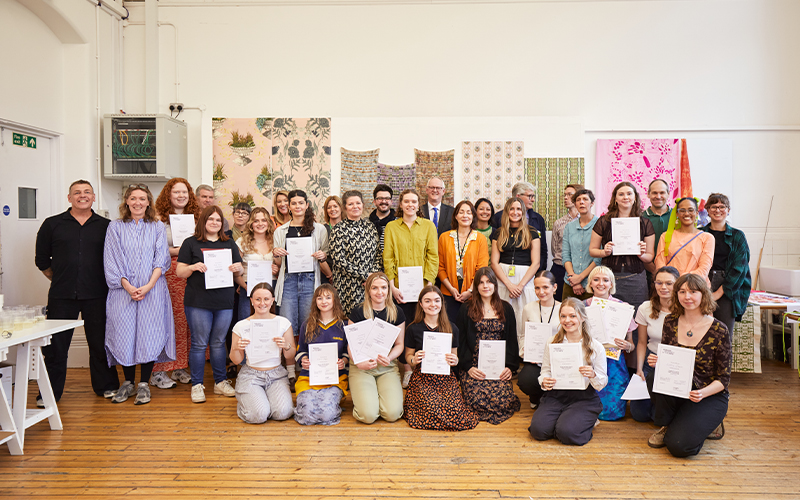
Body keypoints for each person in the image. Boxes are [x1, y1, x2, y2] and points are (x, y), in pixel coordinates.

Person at [34, 180, 119, 404]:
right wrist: (61, 278)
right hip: (62, 295)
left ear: (94, 197)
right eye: (77, 192)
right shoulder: (52, 224)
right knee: (56, 347)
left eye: (87, 192)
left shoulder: (107, 226)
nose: (83, 196)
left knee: (100, 343)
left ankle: (106, 386)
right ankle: (49, 394)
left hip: (98, 294)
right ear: (69, 198)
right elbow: (42, 260)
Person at [103, 185, 175, 404]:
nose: (137, 202)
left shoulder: (157, 227)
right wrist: (127, 286)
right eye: (133, 198)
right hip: (122, 291)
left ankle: (144, 383)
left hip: (153, 290)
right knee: (124, 334)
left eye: (142, 198)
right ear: (126, 201)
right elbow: (111, 258)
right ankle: (128, 382)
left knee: (149, 333)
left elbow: (161, 259)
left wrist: (148, 285)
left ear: (148, 202)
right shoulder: (115, 227)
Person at [646, 274, 730, 457]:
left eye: (693, 292)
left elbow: (724, 379)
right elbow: (669, 360)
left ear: (703, 294)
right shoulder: (670, 322)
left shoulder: (719, 330)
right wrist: (659, 361)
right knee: (653, 376)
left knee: (679, 447)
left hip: (708, 394)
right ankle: (668, 424)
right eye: (682, 292)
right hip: (679, 390)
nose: (687, 297)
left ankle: (709, 422)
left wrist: (702, 393)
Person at [176, 206, 244, 403]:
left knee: (218, 342)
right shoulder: (190, 243)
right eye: (210, 219)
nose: (214, 223)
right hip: (198, 301)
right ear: (203, 221)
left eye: (218, 220)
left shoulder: (229, 243)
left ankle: (220, 382)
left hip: (224, 301)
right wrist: (192, 267)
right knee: (199, 343)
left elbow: (239, 272)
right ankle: (197, 385)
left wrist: (238, 268)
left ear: (222, 223)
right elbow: (180, 272)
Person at [529, 298, 607, 446]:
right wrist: (545, 380)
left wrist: (593, 374)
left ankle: (580, 420)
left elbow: (601, 383)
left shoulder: (596, 346)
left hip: (583, 397)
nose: (567, 320)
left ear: (582, 317)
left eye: (572, 316)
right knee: (538, 431)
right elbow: (545, 370)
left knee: (567, 433)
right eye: (563, 316)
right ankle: (565, 419)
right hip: (556, 395)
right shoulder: (552, 342)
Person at [272, 190, 331, 385]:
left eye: (301, 203)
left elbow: (325, 256)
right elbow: (278, 263)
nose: (297, 206)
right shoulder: (280, 231)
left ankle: (309, 369)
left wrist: (322, 256)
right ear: (288, 206)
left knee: (310, 326)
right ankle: (290, 372)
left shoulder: (319, 229)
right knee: (287, 326)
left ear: (307, 205)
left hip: (310, 281)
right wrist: (276, 254)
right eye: (294, 203)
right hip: (288, 281)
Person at [383, 189, 439, 388]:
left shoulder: (428, 226)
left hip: (423, 288)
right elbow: (388, 257)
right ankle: (407, 370)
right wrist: (392, 287)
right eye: (406, 201)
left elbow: (433, 256)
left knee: (422, 326)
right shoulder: (391, 227)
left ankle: (423, 368)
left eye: (414, 201)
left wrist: (428, 286)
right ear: (400, 204)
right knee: (403, 328)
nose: (410, 205)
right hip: (399, 289)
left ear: (418, 204)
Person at [403, 286, 478, 431]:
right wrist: (413, 359)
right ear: (421, 304)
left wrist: (454, 361)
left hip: (445, 378)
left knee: (455, 412)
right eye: (427, 301)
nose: (433, 304)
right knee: (430, 407)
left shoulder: (452, 328)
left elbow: (455, 357)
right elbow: (408, 356)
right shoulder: (413, 328)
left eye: (437, 300)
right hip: (422, 378)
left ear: (442, 303)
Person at [150, 178, 200, 389]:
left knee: (187, 321)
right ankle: (159, 371)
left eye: (184, 192)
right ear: (168, 195)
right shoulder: (157, 220)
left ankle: (180, 366)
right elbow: (152, 248)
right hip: (168, 273)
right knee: (168, 320)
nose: (181, 196)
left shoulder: (196, 218)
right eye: (176, 192)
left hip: (191, 273)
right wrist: (179, 251)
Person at [456, 267, 521, 425]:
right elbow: (460, 342)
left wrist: (509, 367)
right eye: (481, 282)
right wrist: (468, 367)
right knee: (475, 399)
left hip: (498, 366)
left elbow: (512, 341)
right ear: (476, 286)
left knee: (503, 400)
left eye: (489, 282)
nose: (485, 286)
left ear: (495, 285)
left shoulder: (506, 308)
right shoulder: (466, 309)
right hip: (473, 365)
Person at [230, 283, 295, 424]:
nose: (262, 303)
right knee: (258, 416)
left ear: (272, 300)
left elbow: (290, 355)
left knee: (283, 413)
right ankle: (250, 402)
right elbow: (236, 360)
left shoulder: (283, 322)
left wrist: (286, 346)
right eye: (258, 299)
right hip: (251, 375)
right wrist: (235, 348)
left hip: (276, 375)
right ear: (252, 301)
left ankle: (263, 400)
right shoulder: (241, 326)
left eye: (266, 299)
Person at [348, 272, 406, 424]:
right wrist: (359, 363)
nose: (379, 292)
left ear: (389, 290)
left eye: (384, 287)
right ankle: (370, 402)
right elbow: (351, 345)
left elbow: (399, 344)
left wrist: (389, 358)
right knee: (368, 416)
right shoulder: (358, 311)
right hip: (362, 367)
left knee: (392, 414)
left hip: (386, 366)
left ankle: (378, 399)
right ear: (368, 290)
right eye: (374, 288)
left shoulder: (397, 312)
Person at [589, 181, 655, 309]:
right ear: (615, 199)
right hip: (609, 279)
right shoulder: (603, 221)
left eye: (629, 194)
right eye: (621, 194)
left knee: (636, 314)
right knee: (610, 314)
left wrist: (641, 254)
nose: (625, 197)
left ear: (635, 198)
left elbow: (649, 257)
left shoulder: (645, 223)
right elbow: (592, 250)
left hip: (636, 279)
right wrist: (604, 252)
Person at [584, 266, 637, 421]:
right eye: (596, 279)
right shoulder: (582, 306)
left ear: (611, 284)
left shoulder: (623, 308)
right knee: (586, 409)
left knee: (613, 413)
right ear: (590, 283)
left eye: (605, 280)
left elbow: (632, 344)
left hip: (614, 362)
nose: (601, 283)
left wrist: (627, 346)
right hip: (589, 360)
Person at [294, 284, 350, 425]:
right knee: (306, 415)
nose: (324, 301)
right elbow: (300, 351)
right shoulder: (307, 325)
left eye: (328, 297)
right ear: (315, 301)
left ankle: (330, 407)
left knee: (326, 415)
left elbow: (347, 352)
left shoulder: (344, 325)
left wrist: (343, 361)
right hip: (308, 379)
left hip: (335, 379)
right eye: (319, 298)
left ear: (335, 300)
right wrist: (304, 360)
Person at [631, 266, 679, 422]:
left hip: (674, 363)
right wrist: (639, 369)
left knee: (659, 417)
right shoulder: (645, 307)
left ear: (677, 285)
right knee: (639, 414)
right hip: (650, 360)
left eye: (669, 283)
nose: (663, 287)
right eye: (659, 283)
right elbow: (642, 342)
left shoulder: (685, 308)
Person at [701, 193, 752, 335]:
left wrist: (717, 294)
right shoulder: (700, 233)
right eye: (713, 207)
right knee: (701, 334)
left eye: (722, 207)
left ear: (728, 210)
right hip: (702, 284)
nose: (718, 210)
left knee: (723, 334)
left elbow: (739, 269)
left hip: (728, 287)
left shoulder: (737, 236)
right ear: (707, 210)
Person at [490, 197, 540, 335]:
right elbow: (494, 262)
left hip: (525, 279)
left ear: (523, 212)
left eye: (518, 209)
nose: (515, 212)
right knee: (503, 314)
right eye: (511, 209)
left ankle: (523, 346)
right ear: (506, 211)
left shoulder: (532, 232)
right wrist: (509, 285)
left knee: (525, 315)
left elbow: (536, 262)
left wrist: (520, 286)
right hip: (503, 278)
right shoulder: (498, 232)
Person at [330, 191, 381, 316]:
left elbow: (378, 255)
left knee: (372, 317)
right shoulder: (338, 229)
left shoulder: (370, 227)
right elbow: (339, 260)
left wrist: (372, 277)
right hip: (348, 285)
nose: (355, 206)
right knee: (353, 319)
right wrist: (365, 275)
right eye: (350, 204)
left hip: (371, 284)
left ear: (363, 205)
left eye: (358, 203)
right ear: (345, 207)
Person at [437, 200, 489, 323]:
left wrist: (470, 291)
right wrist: (451, 289)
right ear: (456, 216)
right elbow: (440, 267)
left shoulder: (480, 238)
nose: (465, 215)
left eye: (469, 213)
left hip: (473, 292)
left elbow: (481, 268)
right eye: (461, 212)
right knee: (449, 326)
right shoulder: (444, 237)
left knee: (469, 327)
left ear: (473, 216)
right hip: (448, 291)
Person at [518, 271, 562, 410]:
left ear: (554, 287)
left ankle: (549, 399)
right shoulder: (528, 308)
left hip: (557, 360)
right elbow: (522, 335)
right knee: (525, 381)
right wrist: (524, 351)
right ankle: (536, 397)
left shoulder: (563, 309)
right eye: (537, 288)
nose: (541, 292)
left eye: (545, 287)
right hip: (535, 360)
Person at [490, 182, 548, 270]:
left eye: (533, 196)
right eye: (530, 196)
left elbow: (543, 249)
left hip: (531, 271)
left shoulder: (538, 219)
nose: (533, 200)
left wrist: (540, 271)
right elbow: (494, 248)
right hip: (503, 270)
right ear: (518, 196)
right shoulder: (498, 218)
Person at [654, 197, 715, 280]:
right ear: (677, 214)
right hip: (670, 285)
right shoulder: (665, 236)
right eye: (682, 210)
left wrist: (683, 282)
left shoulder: (707, 238)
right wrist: (671, 282)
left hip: (696, 285)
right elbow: (660, 265)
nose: (686, 214)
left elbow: (704, 269)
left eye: (691, 210)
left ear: (697, 213)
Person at [235, 207, 275, 326]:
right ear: (251, 224)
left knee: (270, 326)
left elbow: (282, 266)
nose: (260, 224)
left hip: (271, 289)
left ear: (268, 222)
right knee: (246, 325)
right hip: (248, 289)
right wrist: (245, 287)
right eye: (256, 221)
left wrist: (277, 270)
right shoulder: (242, 242)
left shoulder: (276, 240)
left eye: (263, 220)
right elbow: (235, 270)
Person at [562, 189, 601, 301]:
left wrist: (580, 278)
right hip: (570, 283)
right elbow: (566, 255)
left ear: (592, 203)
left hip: (592, 283)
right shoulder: (569, 227)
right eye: (578, 200)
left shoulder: (600, 224)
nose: (581, 202)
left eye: (585, 199)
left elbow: (598, 258)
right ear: (575, 204)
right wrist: (573, 280)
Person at [550, 184, 582, 300]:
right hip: (560, 268)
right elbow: (555, 249)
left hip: (581, 270)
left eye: (569, 194)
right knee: (558, 303)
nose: (565, 198)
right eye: (565, 195)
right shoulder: (559, 223)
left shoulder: (589, 221)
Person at [642, 179, 673, 261]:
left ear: (668, 194)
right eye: (654, 193)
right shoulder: (640, 218)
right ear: (648, 194)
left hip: (675, 266)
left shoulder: (678, 216)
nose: (658, 197)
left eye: (662, 193)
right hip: (647, 266)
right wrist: (650, 267)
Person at [369, 184, 396, 268]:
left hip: (393, 267)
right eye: (380, 198)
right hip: (371, 268)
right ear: (374, 201)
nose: (384, 201)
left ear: (391, 201)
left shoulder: (399, 222)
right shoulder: (366, 222)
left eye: (387, 198)